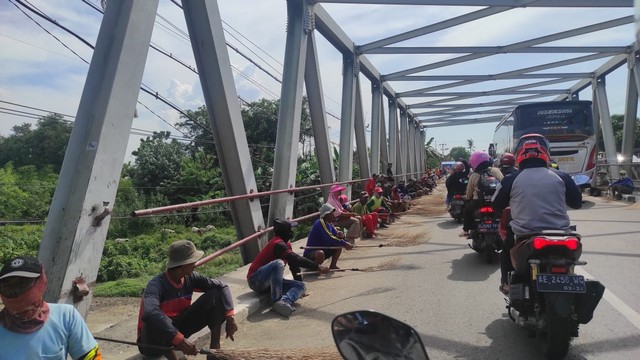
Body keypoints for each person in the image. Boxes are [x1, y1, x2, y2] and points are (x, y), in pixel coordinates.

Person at [492, 134, 582, 295]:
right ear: (546, 153)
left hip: (524, 234)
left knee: (506, 249)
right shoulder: (561, 176)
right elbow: (576, 203)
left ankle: (506, 283)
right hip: (562, 233)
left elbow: (496, 205)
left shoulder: (512, 179)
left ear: (519, 154)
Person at [137, 240, 238, 359]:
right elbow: (150, 314)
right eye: (192, 262)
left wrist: (230, 317)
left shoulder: (191, 277)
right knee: (154, 317)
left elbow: (222, 286)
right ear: (183, 265)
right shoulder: (156, 285)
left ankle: (214, 350)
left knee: (216, 294)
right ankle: (172, 353)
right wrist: (179, 339)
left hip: (177, 328)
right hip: (153, 340)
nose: (195, 264)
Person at [0, 256, 101, 359]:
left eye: (22, 284)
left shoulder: (66, 316)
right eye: (8, 285)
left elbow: (90, 356)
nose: (15, 291)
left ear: (41, 282)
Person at [247, 219, 329, 317]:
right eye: (290, 229)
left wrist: (299, 282)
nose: (292, 232)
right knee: (278, 263)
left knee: (301, 286)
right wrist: (317, 266)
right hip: (255, 280)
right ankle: (276, 300)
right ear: (285, 232)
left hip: (270, 283)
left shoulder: (287, 245)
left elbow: (294, 264)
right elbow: (296, 258)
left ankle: (284, 301)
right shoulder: (277, 244)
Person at [460, 151, 504, 238]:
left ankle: (465, 231)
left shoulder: (474, 175)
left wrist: (467, 198)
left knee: (467, 209)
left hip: (478, 201)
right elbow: (503, 183)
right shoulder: (496, 171)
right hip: (496, 200)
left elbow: (469, 193)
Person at [303, 203, 354, 269]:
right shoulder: (320, 223)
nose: (334, 215)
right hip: (312, 252)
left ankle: (333, 265)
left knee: (339, 245)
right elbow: (329, 238)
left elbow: (335, 235)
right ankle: (316, 268)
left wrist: (344, 239)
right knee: (320, 253)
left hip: (324, 249)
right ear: (327, 214)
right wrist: (345, 244)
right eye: (332, 213)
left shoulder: (329, 224)